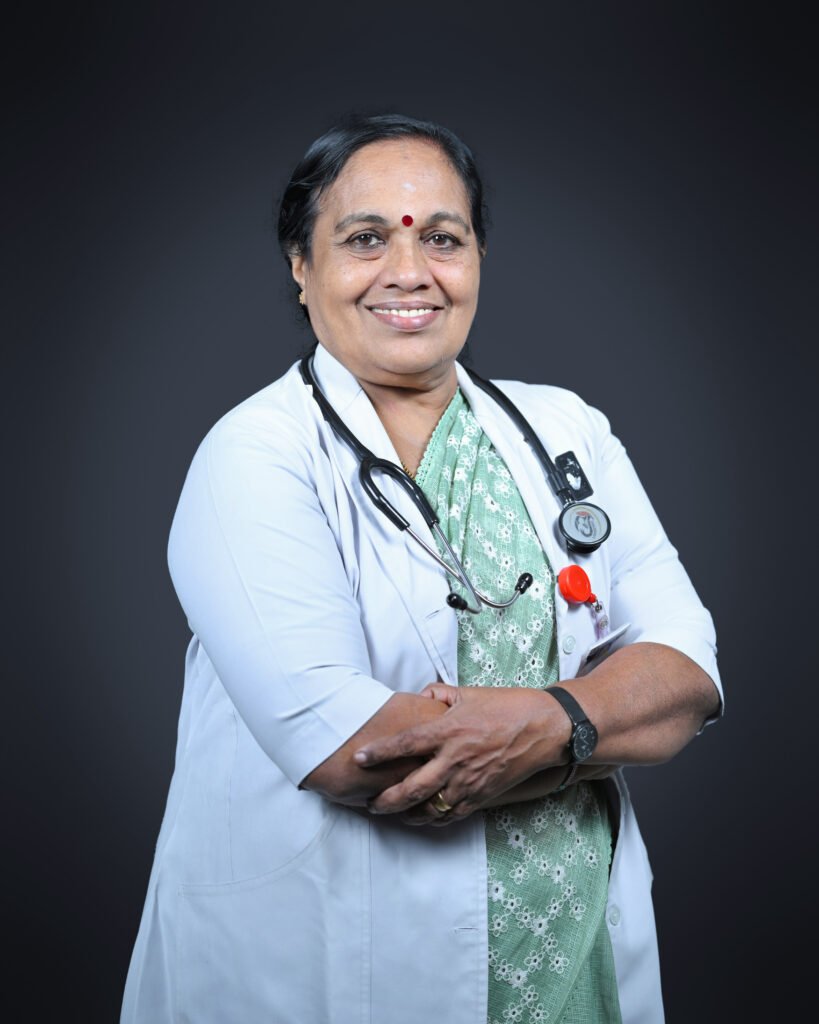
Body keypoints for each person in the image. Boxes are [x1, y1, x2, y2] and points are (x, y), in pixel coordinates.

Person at [120, 113, 722, 1024]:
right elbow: (347, 749)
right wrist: (593, 725)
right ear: (300, 265)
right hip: (332, 960)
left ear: (476, 258)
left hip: (570, 944)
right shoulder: (255, 454)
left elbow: (685, 675)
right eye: (365, 239)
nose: (410, 272)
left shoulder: (565, 430)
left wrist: (549, 721)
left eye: (442, 238)